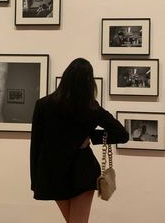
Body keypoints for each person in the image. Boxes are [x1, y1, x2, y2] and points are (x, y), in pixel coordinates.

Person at [30, 58, 129, 223]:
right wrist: (91, 136)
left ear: (65, 77)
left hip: (53, 172)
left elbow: (36, 146)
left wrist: (36, 181)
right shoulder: (91, 108)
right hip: (82, 170)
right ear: (89, 82)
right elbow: (122, 135)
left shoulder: (43, 105)